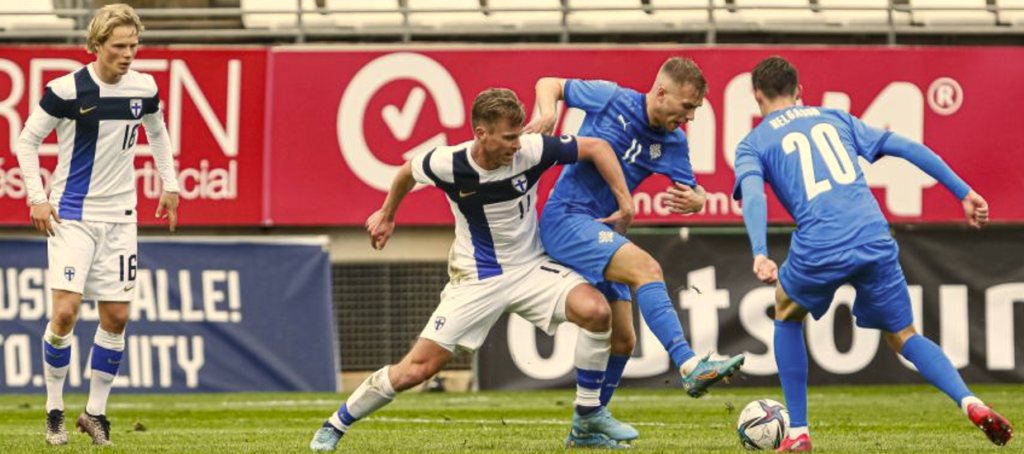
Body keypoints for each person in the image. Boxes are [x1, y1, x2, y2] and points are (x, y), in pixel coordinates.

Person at [309, 88, 639, 451]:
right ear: (481, 134)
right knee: (417, 369)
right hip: (477, 279)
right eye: (509, 137)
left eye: (518, 135)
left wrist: (625, 203)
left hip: (531, 268)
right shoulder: (448, 163)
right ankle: (335, 424)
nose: (517, 144)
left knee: (596, 311)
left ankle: (587, 419)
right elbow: (407, 171)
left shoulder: (532, 150)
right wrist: (387, 214)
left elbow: (597, 147)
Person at [733, 56, 1013, 452]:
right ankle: (971, 402)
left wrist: (760, 252)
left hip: (821, 241)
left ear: (756, 95)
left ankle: (798, 433)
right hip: (872, 233)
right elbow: (905, 146)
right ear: (799, 92)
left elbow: (753, 194)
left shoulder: (753, 142)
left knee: (785, 311)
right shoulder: (835, 118)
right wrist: (963, 191)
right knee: (904, 335)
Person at [524, 57, 745, 422]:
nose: (690, 117)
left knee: (623, 340)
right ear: (661, 93)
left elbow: (693, 190)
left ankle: (587, 424)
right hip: (566, 217)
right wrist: (548, 113)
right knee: (648, 269)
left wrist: (699, 199)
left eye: (695, 110)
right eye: (687, 106)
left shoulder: (674, 143)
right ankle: (689, 364)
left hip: (602, 231)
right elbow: (550, 83)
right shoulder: (611, 98)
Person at [14, 3, 180, 447]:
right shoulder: (66, 90)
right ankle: (54, 410)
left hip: (121, 217)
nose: (128, 54)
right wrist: (37, 197)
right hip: (72, 215)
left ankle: (95, 413)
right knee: (65, 313)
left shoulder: (144, 87)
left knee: (117, 317)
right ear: (96, 45)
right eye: (120, 46)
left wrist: (170, 183)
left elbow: (157, 131)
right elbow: (27, 140)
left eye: (134, 45)